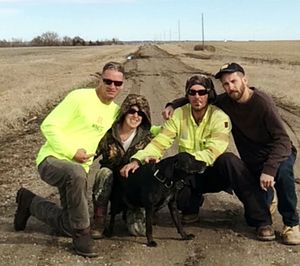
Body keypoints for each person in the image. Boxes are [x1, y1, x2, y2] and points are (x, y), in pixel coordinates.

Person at [164, 63, 300, 245]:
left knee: (282, 174)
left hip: (278, 152)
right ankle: (267, 198)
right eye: (226, 84)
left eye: (234, 81)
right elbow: (199, 97)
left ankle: (291, 224)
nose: (230, 87)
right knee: (251, 189)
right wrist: (173, 104)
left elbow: (282, 140)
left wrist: (269, 169)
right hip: (253, 158)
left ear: (245, 79)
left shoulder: (262, 102)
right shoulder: (226, 101)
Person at [13, 61, 125, 258]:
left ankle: (29, 202)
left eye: (117, 83)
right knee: (75, 173)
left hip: (79, 171)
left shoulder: (115, 111)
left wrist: (172, 111)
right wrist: (72, 152)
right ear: (100, 79)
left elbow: (136, 126)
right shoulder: (79, 97)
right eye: (108, 81)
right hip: (52, 160)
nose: (112, 87)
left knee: (67, 225)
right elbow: (48, 126)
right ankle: (83, 235)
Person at [120, 74, 232, 223]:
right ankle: (190, 207)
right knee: (171, 181)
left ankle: (260, 217)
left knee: (231, 162)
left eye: (202, 92)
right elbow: (160, 142)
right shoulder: (179, 114)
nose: (197, 97)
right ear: (187, 94)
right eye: (192, 92)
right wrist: (138, 160)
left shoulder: (219, 117)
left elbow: (213, 152)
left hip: (211, 170)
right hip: (189, 172)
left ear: (209, 94)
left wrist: (182, 160)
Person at [91, 93, 157, 239]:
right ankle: (99, 219)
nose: (136, 116)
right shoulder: (108, 133)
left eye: (141, 113)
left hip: (133, 187)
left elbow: (156, 158)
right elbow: (90, 155)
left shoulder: (147, 137)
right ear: (124, 112)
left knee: (137, 231)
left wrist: (152, 161)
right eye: (132, 111)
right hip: (111, 182)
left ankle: (133, 212)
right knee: (103, 173)